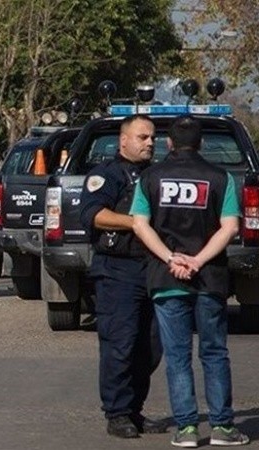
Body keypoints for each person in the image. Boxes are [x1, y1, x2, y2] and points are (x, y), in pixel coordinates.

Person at [131, 115, 248, 447]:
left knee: (177, 355)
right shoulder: (221, 178)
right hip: (209, 278)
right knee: (213, 352)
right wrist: (197, 260)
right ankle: (223, 427)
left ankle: (186, 430)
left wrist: (171, 258)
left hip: (167, 279)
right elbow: (230, 228)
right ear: (201, 144)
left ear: (168, 143)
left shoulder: (150, 177)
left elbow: (140, 225)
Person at [79, 114, 165, 439]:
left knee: (151, 345)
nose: (150, 143)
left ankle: (134, 410)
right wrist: (134, 223)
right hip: (119, 270)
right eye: (143, 137)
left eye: (153, 138)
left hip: (154, 269)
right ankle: (116, 413)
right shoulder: (107, 174)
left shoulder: (157, 176)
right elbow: (94, 214)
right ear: (123, 140)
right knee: (120, 343)